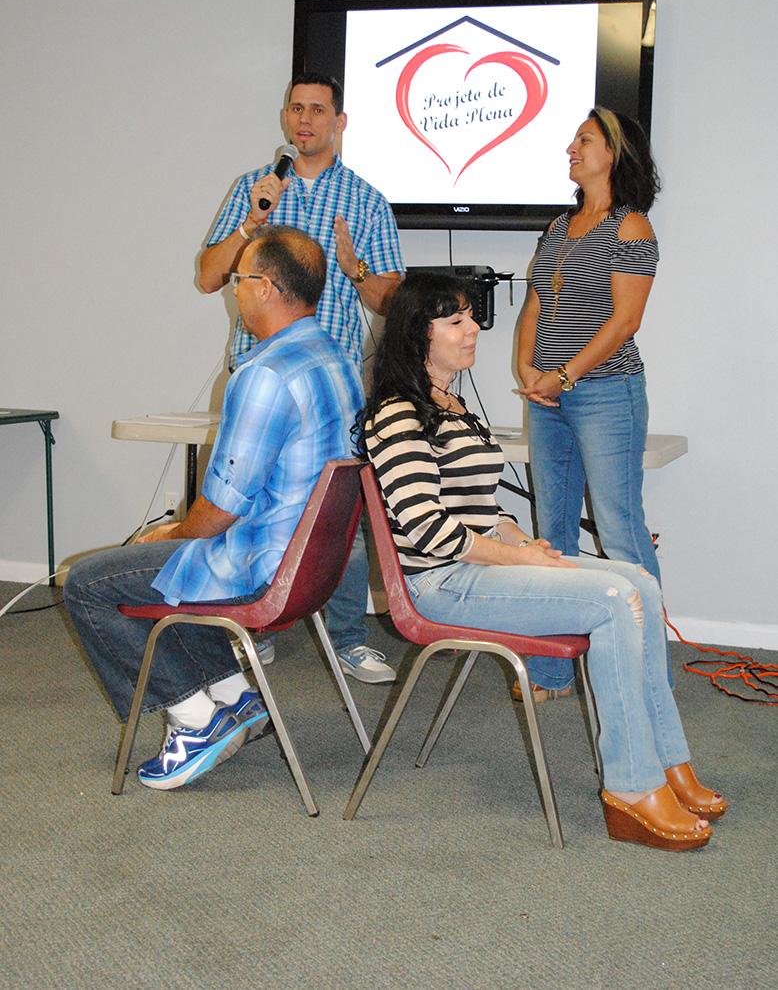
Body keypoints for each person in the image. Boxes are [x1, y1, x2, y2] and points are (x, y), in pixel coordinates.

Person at [358, 272, 725, 850]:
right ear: (417, 334)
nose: (473, 328)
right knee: (613, 600)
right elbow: (427, 528)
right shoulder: (397, 414)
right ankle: (631, 787)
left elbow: (480, 511)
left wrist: (525, 544)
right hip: (438, 584)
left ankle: (668, 759)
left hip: (475, 568)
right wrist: (514, 557)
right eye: (455, 320)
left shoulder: (450, 404)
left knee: (640, 582)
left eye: (470, 316)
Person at [65, 227, 366, 790]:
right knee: (171, 564)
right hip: (314, 568)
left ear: (267, 288)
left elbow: (220, 513)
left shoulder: (265, 374)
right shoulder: (337, 359)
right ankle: (235, 695)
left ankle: (195, 719)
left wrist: (170, 533)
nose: (234, 290)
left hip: (263, 568)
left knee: (88, 584)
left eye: (240, 279)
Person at [197, 71, 404, 683]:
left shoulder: (366, 200)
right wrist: (250, 224)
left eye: (317, 110)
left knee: (339, 508)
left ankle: (347, 638)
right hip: (259, 374)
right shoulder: (254, 188)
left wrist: (354, 267)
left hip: (329, 384)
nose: (304, 119)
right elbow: (208, 277)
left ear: (340, 122)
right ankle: (250, 624)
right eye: (296, 109)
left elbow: (391, 299)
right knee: (246, 500)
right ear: (285, 118)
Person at [516, 107, 663, 700]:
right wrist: (528, 370)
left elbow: (625, 321)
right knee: (552, 534)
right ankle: (553, 673)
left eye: (584, 140)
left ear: (614, 153)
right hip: (549, 397)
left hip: (606, 394)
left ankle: (647, 674)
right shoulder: (558, 228)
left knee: (619, 531)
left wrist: (564, 375)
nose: (571, 149)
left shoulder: (632, 228)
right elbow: (534, 306)